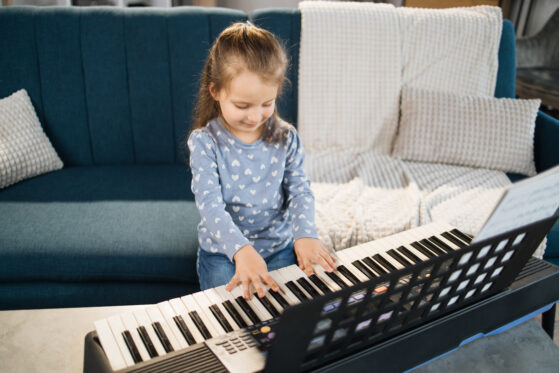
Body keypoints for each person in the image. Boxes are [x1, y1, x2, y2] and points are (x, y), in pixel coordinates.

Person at [187, 22, 336, 301]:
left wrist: (305, 234)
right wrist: (241, 250)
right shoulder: (205, 142)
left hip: (278, 248)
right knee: (233, 318)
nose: (255, 117)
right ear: (215, 92)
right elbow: (210, 206)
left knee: (297, 309)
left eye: (267, 103)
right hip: (224, 253)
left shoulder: (285, 136)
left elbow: (300, 190)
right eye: (242, 106)